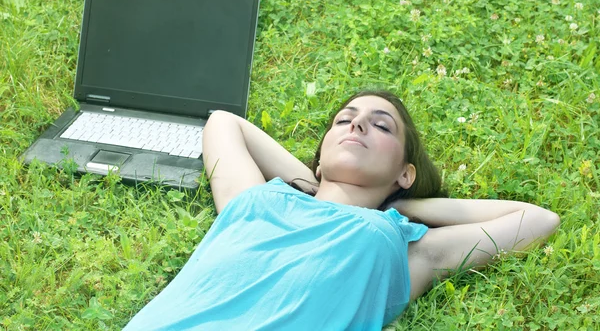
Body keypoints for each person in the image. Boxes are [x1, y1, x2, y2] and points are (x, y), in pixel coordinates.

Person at [124, 90, 560, 330]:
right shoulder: (254, 201)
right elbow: (223, 121)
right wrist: (319, 183)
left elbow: (538, 220)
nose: (357, 124)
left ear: (405, 172)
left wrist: (405, 203)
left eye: (381, 124)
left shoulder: (402, 245)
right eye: (344, 120)